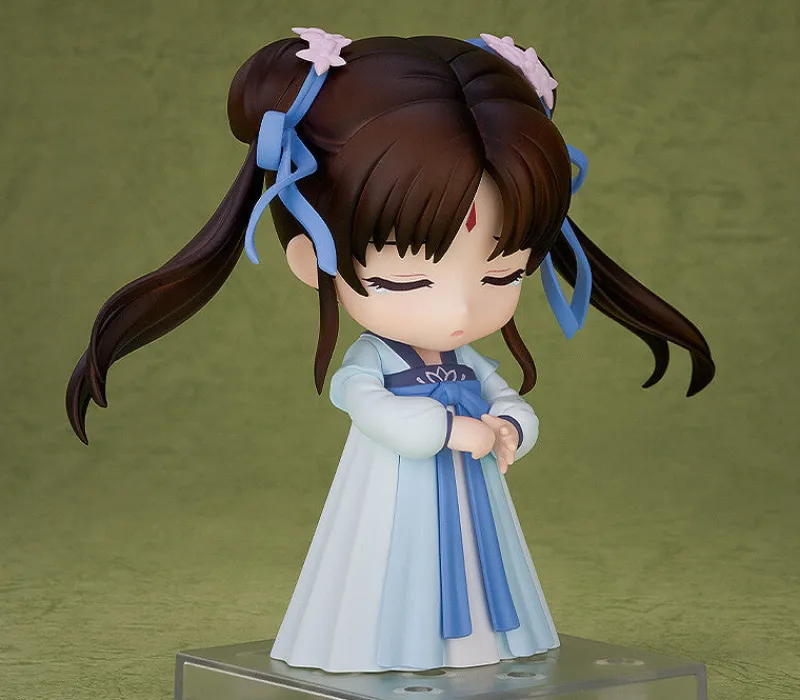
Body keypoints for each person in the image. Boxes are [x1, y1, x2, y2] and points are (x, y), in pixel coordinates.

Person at [66, 28, 715, 673]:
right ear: (310, 259)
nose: (459, 312)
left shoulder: (467, 363)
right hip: (392, 496)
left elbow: (505, 397)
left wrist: (512, 425)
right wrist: (451, 430)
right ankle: (393, 650)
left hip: (473, 499)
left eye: (501, 274)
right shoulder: (370, 366)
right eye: (407, 281)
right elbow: (376, 411)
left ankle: (483, 647)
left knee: (484, 569)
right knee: (390, 573)